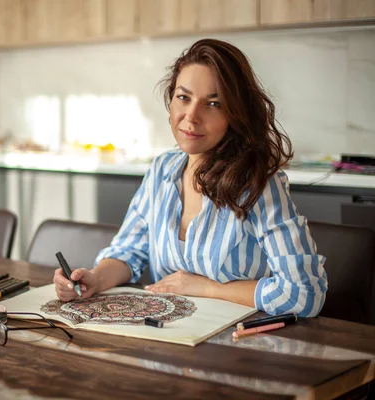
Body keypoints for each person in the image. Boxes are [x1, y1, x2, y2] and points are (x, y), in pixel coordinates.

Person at [53, 38, 327, 318]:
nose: (191, 117)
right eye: (184, 98)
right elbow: (128, 251)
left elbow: (304, 293)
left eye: (213, 104)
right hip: (168, 340)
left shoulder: (259, 183)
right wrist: (95, 279)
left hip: (238, 345)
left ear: (235, 114)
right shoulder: (162, 170)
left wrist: (208, 288)